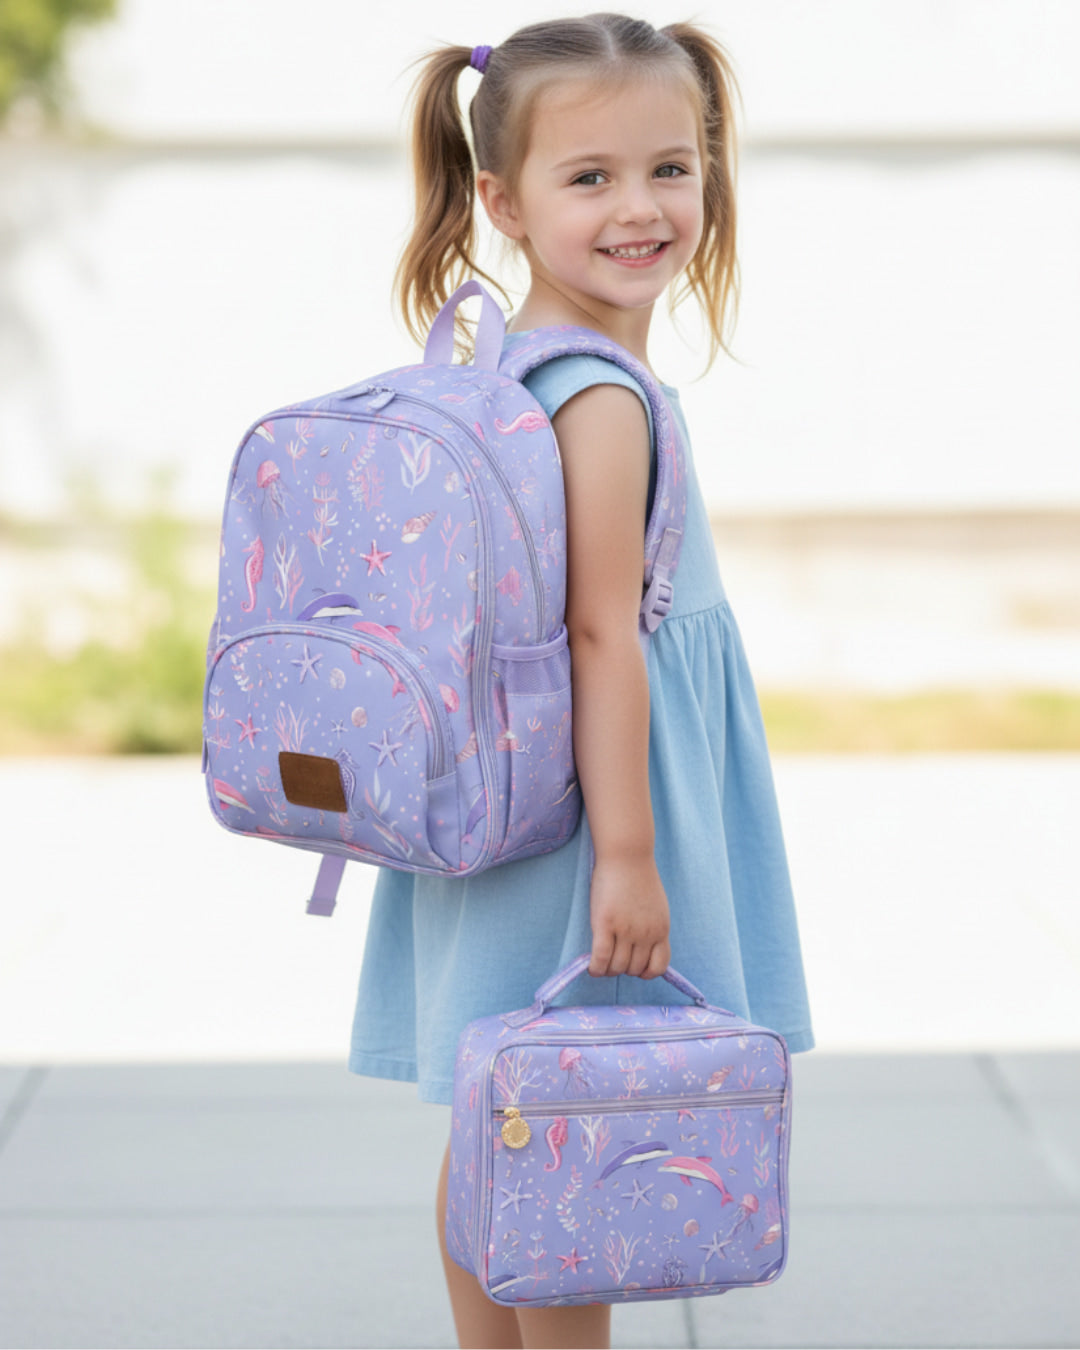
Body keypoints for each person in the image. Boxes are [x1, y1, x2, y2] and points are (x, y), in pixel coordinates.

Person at [348, 14, 814, 1349]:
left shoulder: (499, 369)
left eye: (673, 167)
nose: (643, 206)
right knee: (577, 1154)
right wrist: (630, 856)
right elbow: (607, 636)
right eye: (591, 176)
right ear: (501, 199)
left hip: (507, 805)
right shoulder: (601, 398)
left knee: (507, 1116)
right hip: (586, 822)